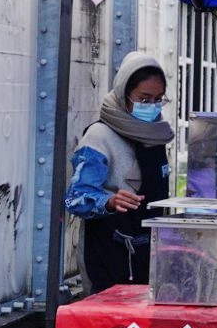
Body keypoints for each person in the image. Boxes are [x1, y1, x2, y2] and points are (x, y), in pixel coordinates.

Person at [64, 52, 175, 291]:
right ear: (124, 94)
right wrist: (109, 201)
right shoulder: (99, 137)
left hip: (150, 254)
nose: (151, 107)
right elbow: (75, 198)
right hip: (108, 254)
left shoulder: (156, 135)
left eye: (158, 99)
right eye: (143, 99)